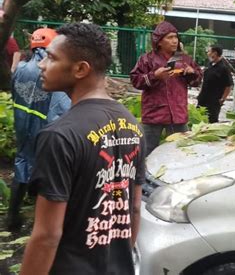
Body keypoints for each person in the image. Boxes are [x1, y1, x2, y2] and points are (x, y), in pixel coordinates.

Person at [20, 23, 146, 274]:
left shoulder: (59, 136)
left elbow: (47, 236)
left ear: (80, 69)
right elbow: (133, 207)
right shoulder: (132, 125)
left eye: (52, 58)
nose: (41, 65)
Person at [7, 28, 71, 231]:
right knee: (45, 171)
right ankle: (41, 226)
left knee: (22, 163)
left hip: (23, 126)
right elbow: (62, 108)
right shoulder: (53, 70)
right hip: (44, 131)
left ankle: (12, 218)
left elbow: (14, 93)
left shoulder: (21, 68)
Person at [130, 21, 202, 156]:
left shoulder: (184, 59)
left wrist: (192, 74)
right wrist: (154, 76)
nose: (175, 41)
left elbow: (197, 81)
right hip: (154, 114)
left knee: (179, 152)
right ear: (159, 41)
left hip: (178, 115)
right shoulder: (147, 60)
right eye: (170, 37)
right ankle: (142, 176)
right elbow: (135, 80)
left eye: (176, 37)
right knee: (146, 151)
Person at [197, 45, 233, 123]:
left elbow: (229, 85)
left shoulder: (223, 68)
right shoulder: (210, 64)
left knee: (210, 120)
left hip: (214, 100)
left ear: (215, 53)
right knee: (198, 118)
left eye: (209, 51)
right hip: (203, 97)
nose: (207, 53)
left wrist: (223, 99)